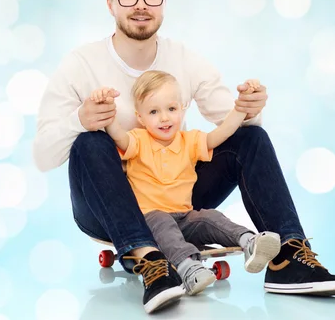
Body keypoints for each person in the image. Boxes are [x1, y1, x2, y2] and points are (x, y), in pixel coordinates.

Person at [33, 0, 335, 314]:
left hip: (174, 196)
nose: (141, 4)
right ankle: (151, 262)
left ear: (163, 2)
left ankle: (288, 259)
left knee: (251, 138)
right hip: (105, 205)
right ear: (110, 3)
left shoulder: (183, 58)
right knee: (90, 141)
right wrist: (80, 118)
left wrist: (250, 104)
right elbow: (43, 155)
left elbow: (238, 124)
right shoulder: (81, 63)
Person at [91, 71, 282, 300]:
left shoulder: (189, 141)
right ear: (140, 117)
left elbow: (220, 134)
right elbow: (117, 136)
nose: (164, 118)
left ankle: (250, 241)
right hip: (150, 220)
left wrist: (240, 109)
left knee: (210, 217)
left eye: (171, 109)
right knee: (162, 222)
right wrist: (107, 108)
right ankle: (189, 268)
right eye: (154, 112)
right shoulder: (138, 140)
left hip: (185, 216)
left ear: (182, 109)